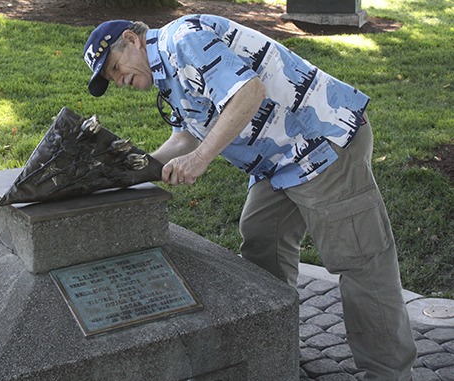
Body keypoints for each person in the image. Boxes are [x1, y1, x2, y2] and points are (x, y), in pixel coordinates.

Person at [83, 14, 417, 380]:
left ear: (132, 39)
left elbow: (248, 93)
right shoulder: (168, 76)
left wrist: (199, 160)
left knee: (361, 263)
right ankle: (277, 353)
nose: (120, 81)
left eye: (115, 67)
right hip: (279, 163)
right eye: (111, 79)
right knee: (261, 244)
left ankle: (389, 373)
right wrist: (131, 174)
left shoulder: (182, 40)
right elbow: (185, 137)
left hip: (321, 144)